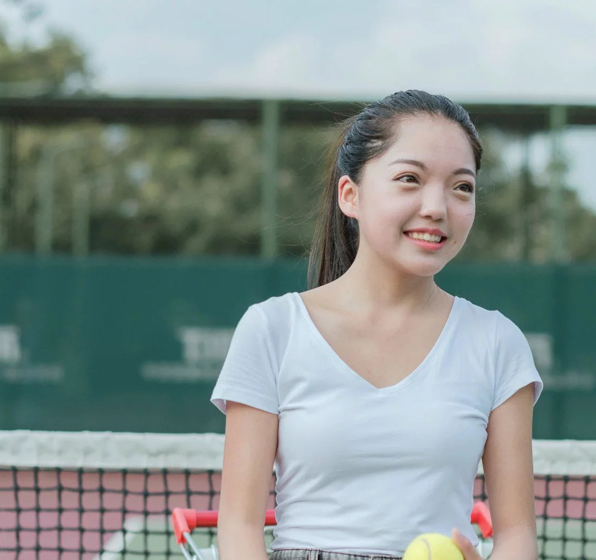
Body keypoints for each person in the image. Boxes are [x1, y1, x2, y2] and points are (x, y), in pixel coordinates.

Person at [210, 90, 542, 560]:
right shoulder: (271, 329)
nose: (437, 207)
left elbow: (516, 535)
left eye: (461, 186)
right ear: (351, 195)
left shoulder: (497, 343)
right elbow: (239, 526)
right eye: (410, 178)